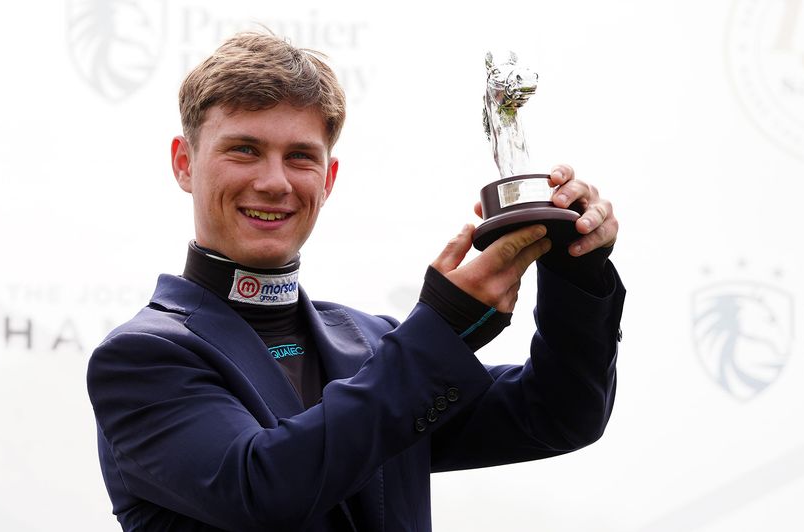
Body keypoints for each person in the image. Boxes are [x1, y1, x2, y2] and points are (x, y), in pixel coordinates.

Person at [87, 32, 625, 532]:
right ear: (185, 163)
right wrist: (443, 328)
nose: (274, 182)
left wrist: (576, 266)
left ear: (329, 177)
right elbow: (261, 487)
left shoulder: (372, 344)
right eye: (244, 149)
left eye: (300, 157)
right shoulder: (142, 359)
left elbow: (559, 413)